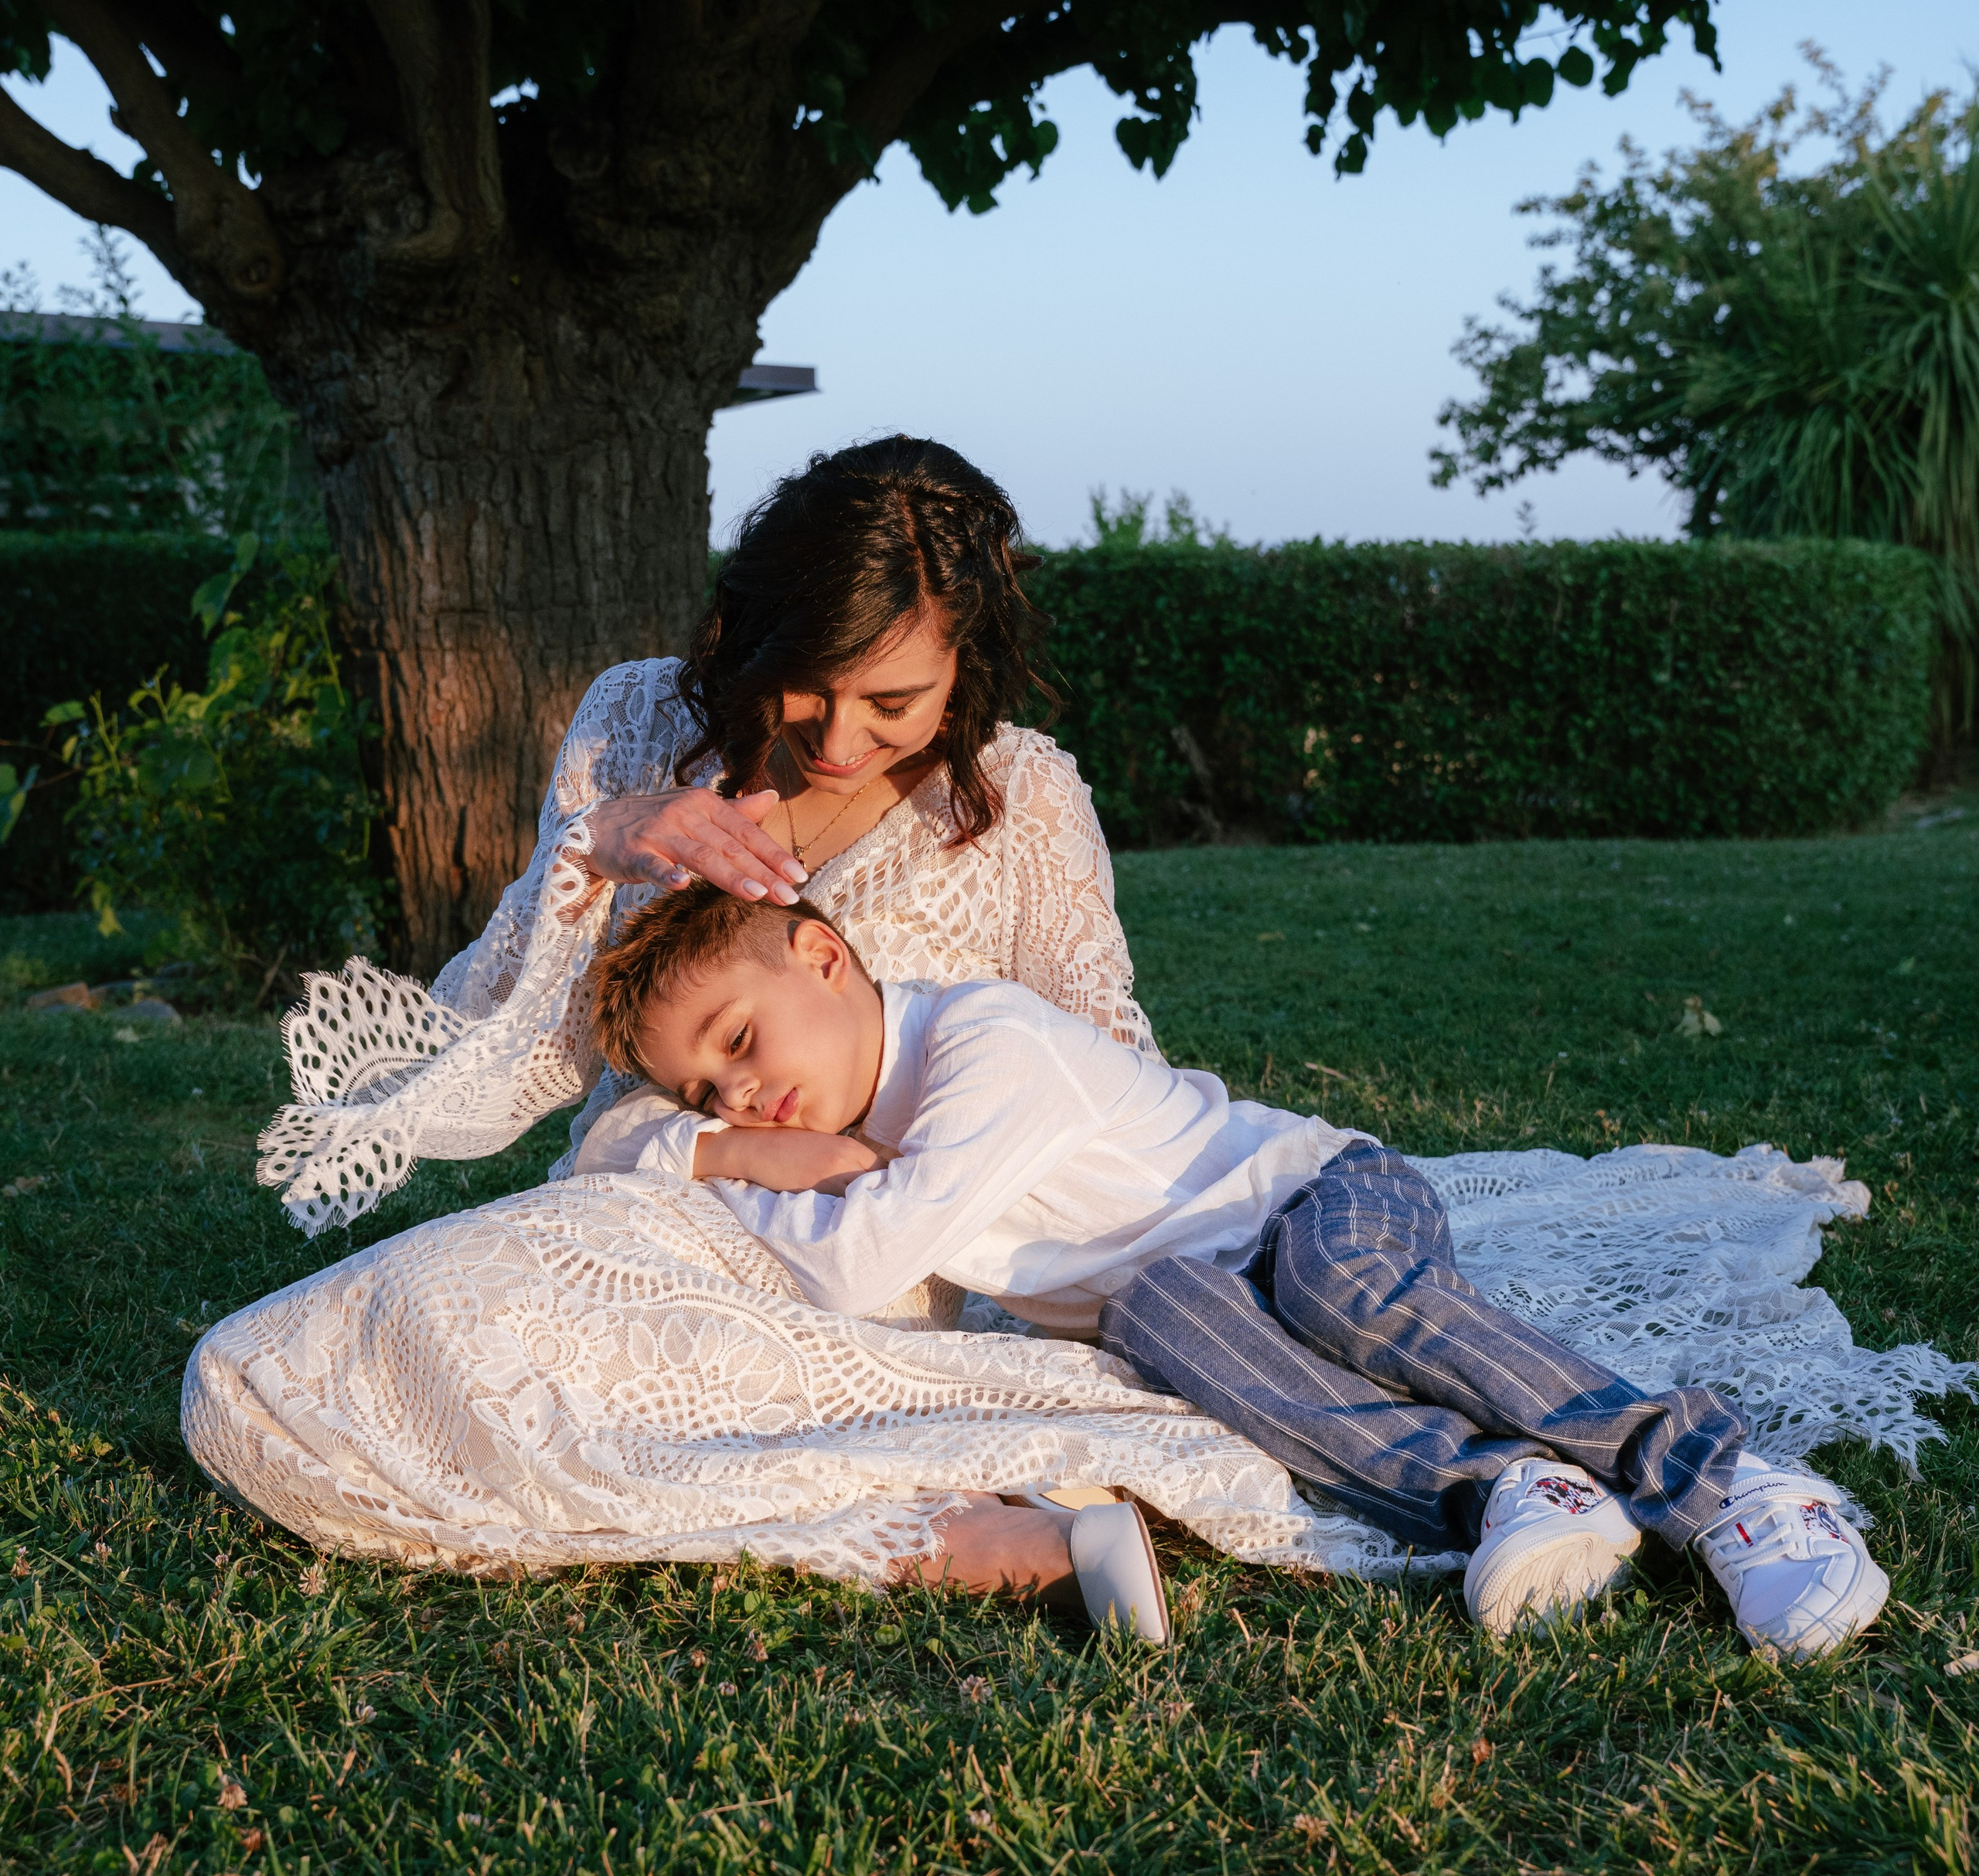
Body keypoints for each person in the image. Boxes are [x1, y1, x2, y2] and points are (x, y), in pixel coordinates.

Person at [186, 439, 1409, 1594]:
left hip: (886, 1259)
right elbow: (501, 1075)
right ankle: (972, 1516)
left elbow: (1106, 1066)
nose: (838, 737)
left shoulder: (1024, 798)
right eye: (807, 686)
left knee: (590, 1396)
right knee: (291, 1372)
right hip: (649, 1215)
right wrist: (596, 853)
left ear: (965, 664)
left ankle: (958, 1518)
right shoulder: (639, 723)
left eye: (892, 700)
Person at [584, 880, 1894, 1663]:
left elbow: (857, 1256)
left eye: (742, 1040)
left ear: (823, 954)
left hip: (1318, 1203)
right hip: (1201, 1287)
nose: (745, 1090)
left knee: (1335, 1291)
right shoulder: (857, 1129)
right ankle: (1510, 1485)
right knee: (1157, 1313)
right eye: (712, 1089)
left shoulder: (985, 1045)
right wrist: (740, 1150)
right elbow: (762, 1231)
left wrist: (744, 1159)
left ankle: (1728, 1481)